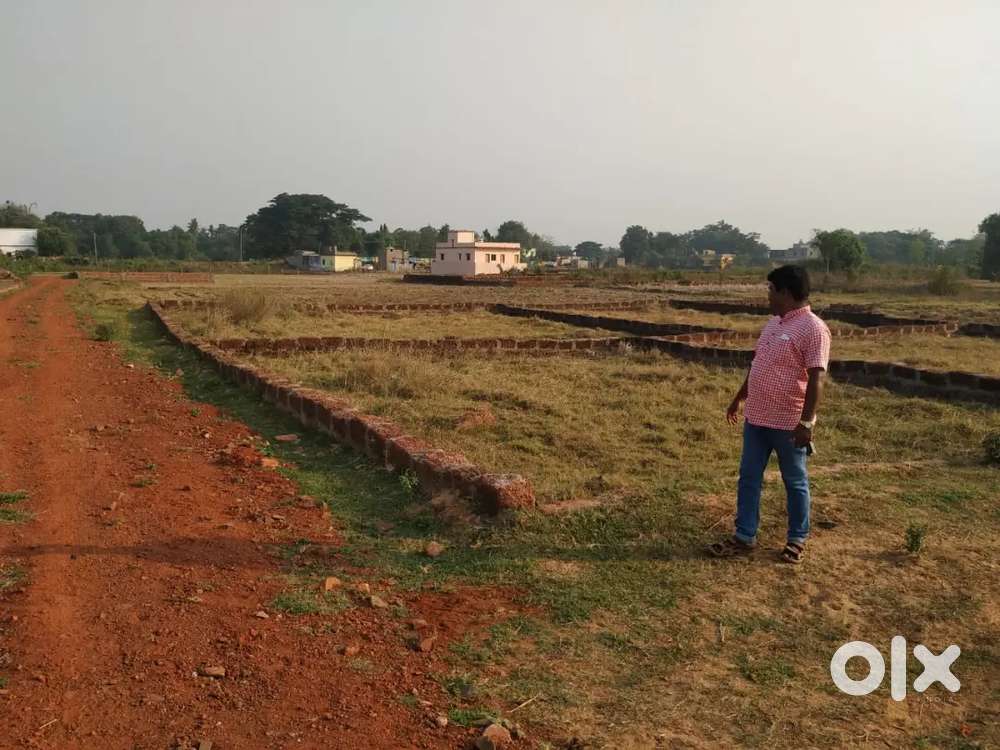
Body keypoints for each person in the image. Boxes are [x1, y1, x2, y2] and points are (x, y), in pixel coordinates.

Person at [708, 265, 831, 564]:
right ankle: (744, 535)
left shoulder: (813, 328)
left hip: (788, 422)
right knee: (749, 478)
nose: (768, 296)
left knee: (795, 481)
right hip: (756, 417)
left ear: (785, 293)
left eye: (771, 290)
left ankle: (797, 538)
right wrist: (739, 398)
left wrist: (806, 423)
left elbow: (817, 378)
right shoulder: (773, 324)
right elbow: (758, 365)